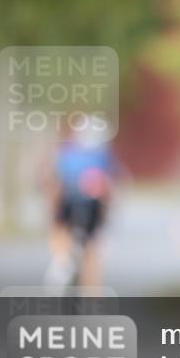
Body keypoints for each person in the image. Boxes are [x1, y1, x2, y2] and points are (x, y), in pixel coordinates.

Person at [44, 121, 117, 288]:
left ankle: (61, 261)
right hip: (93, 206)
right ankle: (91, 293)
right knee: (93, 248)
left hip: (69, 202)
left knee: (59, 229)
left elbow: (56, 182)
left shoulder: (67, 153)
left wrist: (53, 207)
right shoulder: (103, 155)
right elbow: (111, 186)